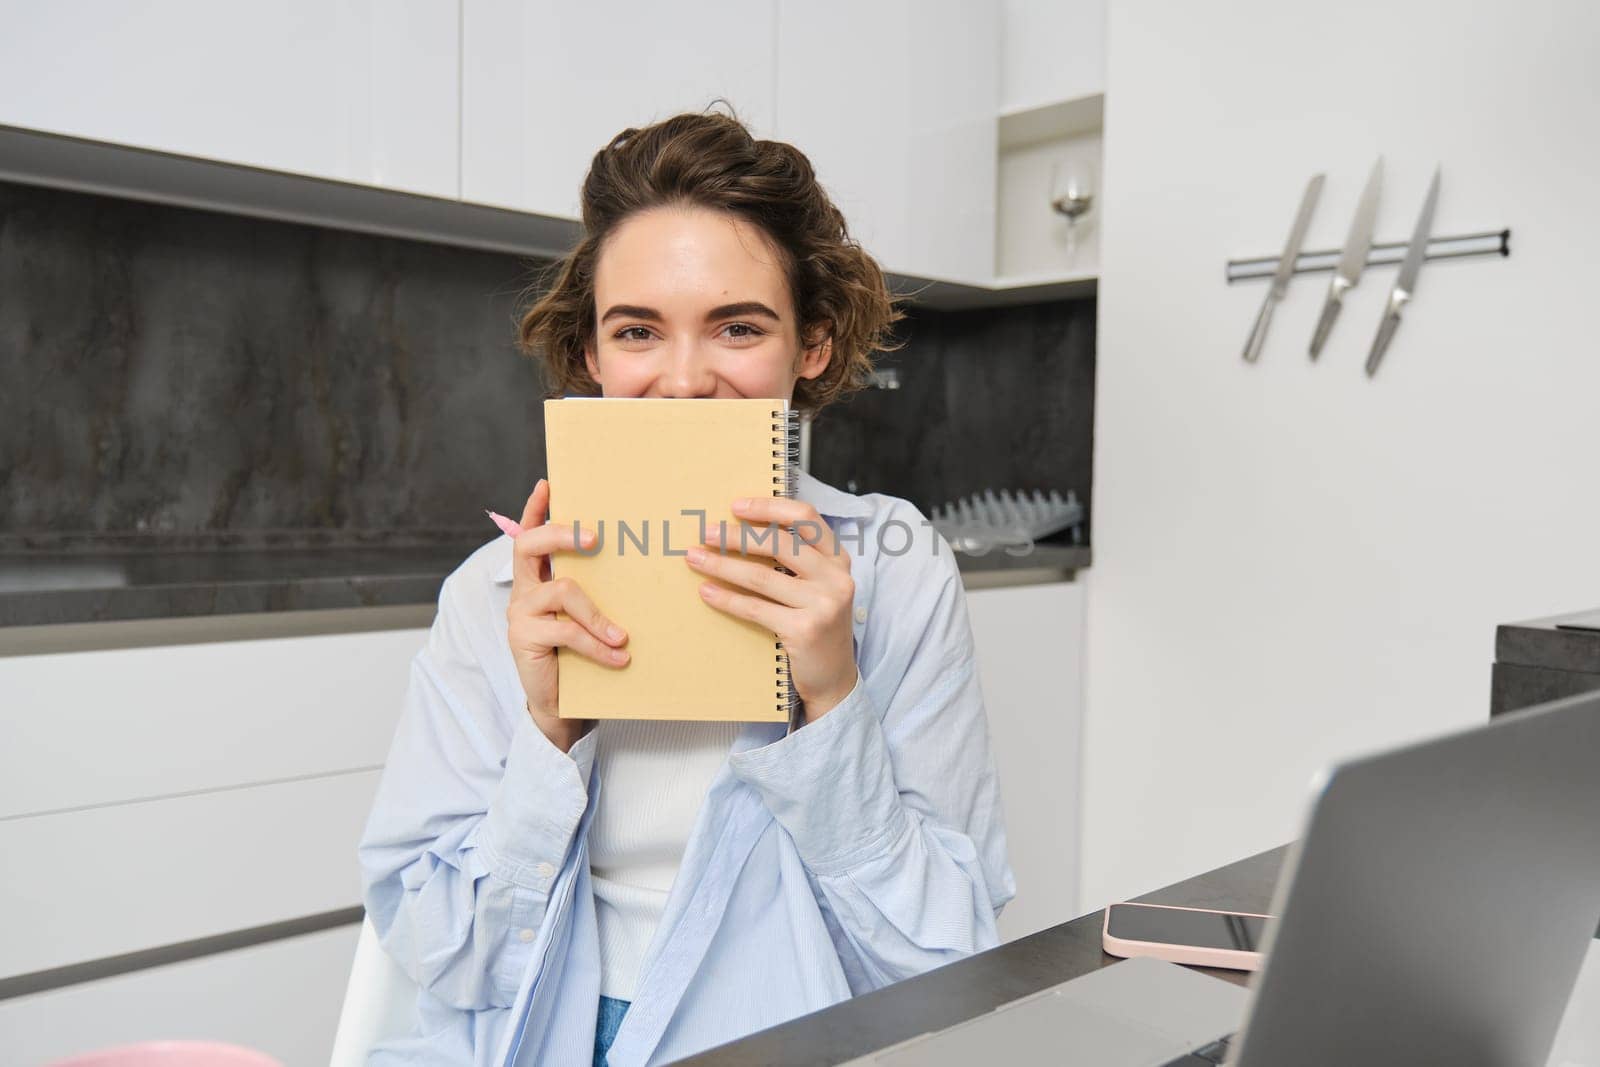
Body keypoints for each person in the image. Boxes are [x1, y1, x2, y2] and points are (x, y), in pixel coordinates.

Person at [358, 107, 1014, 1067]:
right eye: (638, 331)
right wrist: (549, 733)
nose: (683, 380)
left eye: (737, 327)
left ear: (814, 346)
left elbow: (945, 965)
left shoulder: (892, 570)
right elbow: (441, 959)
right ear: (591, 353)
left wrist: (830, 701)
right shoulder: (497, 591)